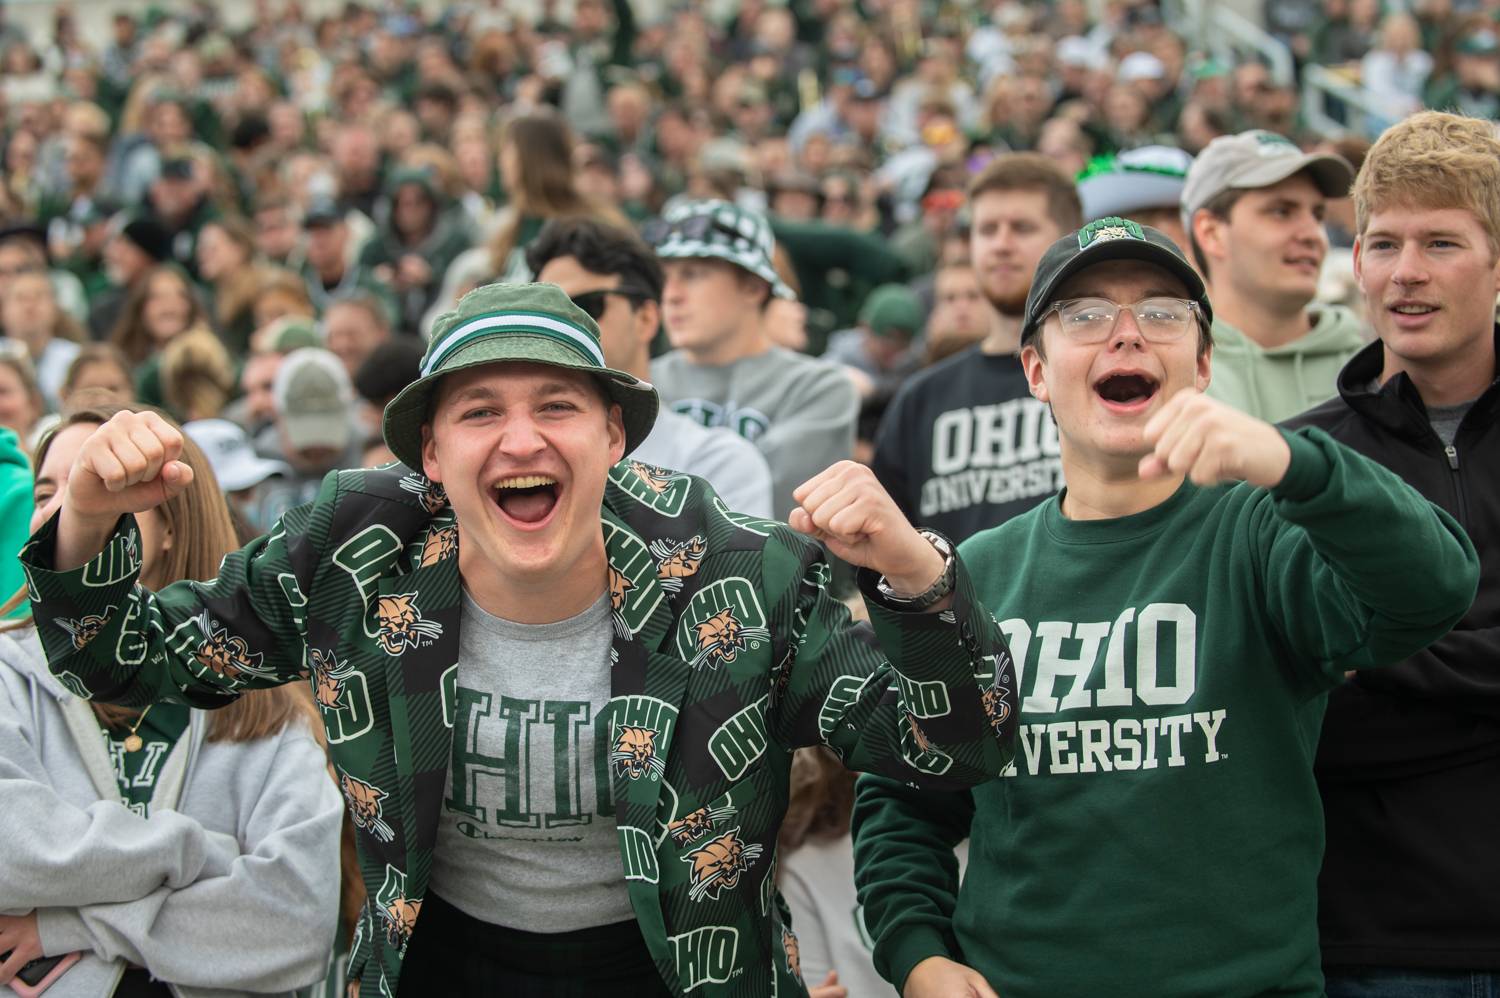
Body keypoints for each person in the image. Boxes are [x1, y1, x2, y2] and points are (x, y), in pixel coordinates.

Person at [20, 281, 1019, 998]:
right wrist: (88, 521)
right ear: (432, 453)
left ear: (614, 440)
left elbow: (957, 743)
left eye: (557, 407)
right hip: (440, 962)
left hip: (680, 969)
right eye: (482, 411)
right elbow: (118, 660)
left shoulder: (736, 572)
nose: (522, 438)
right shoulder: (353, 554)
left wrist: (916, 574)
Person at [852, 218, 1479, 998]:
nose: (1126, 337)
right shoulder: (976, 572)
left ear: (1204, 363)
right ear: (1036, 371)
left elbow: (1432, 589)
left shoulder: (1261, 532)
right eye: (1084, 316)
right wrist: (919, 956)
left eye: (1162, 313)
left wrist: (1294, 465)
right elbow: (904, 796)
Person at [0, 402, 343, 997]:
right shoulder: (8, 673)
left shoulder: (269, 707)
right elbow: (11, 851)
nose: (59, 513)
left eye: (95, 489)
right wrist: (199, 853)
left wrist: (75, 922)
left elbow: (295, 920)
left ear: (169, 529)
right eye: (46, 491)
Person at [1286, 111, 1500, 997]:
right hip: (1376, 942)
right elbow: (1303, 713)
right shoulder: (1301, 465)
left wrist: (1378, 661)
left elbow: (1352, 678)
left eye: (1441, 242)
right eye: (1382, 244)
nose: (1405, 273)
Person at [871, 154, 1077, 543]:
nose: (1001, 244)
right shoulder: (922, 398)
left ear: (1066, 239)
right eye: (986, 229)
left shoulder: (1100, 380)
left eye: (1022, 227)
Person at [526, 217, 775, 519]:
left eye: (587, 308)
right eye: (546, 315)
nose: (565, 329)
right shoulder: (515, 457)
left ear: (645, 319)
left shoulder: (715, 463)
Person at [647, 199, 859, 520]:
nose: (671, 294)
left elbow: (758, 512)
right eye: (665, 276)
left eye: (692, 274)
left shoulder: (821, 388)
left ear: (753, 287)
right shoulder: (640, 384)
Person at [1183, 130, 1365, 423]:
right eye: (1281, 212)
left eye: (1318, 215)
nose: (1313, 235)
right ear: (1211, 232)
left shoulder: (1374, 365)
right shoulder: (1167, 374)